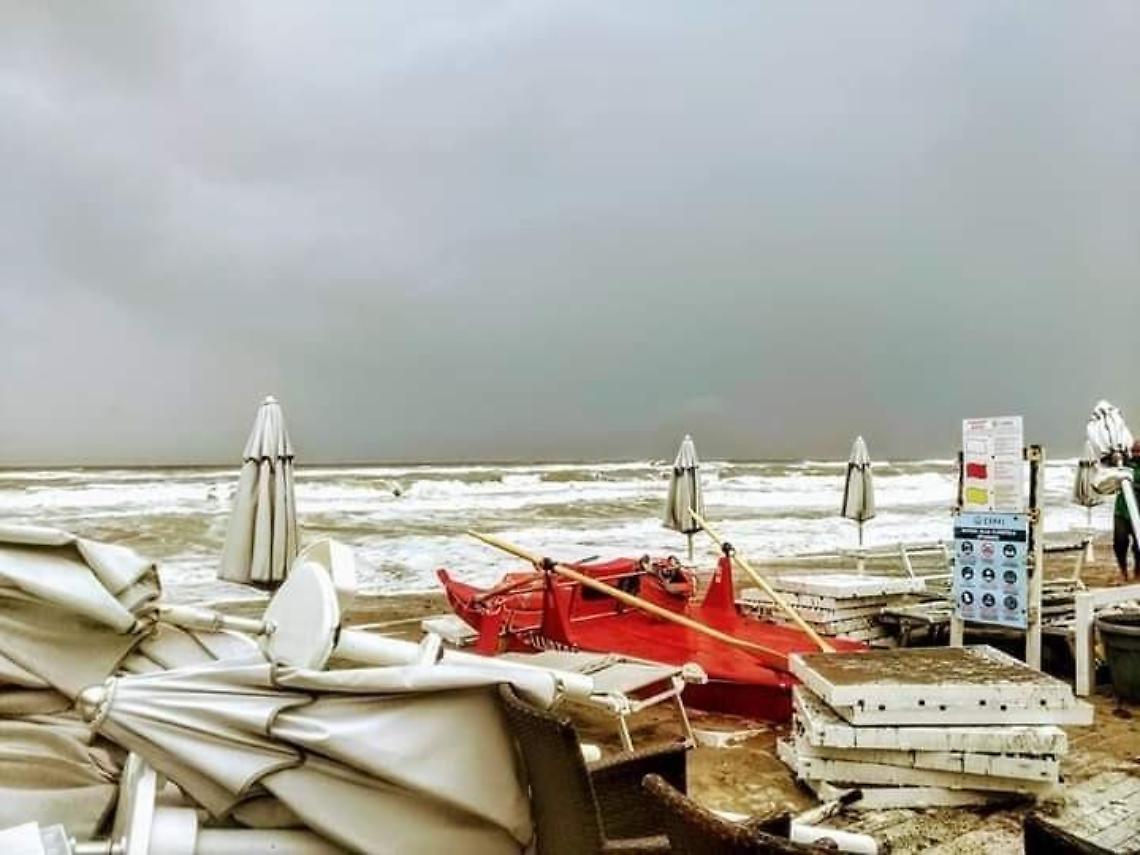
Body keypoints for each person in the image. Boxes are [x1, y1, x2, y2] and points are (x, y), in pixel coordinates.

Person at [1113, 440, 1140, 580]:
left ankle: (1138, 570)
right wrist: (1116, 457)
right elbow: (1108, 465)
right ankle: (1123, 570)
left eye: (1139, 451)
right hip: (1122, 510)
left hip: (1138, 511)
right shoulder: (1125, 464)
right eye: (1134, 451)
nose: (1136, 454)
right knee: (1120, 542)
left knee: (1138, 544)